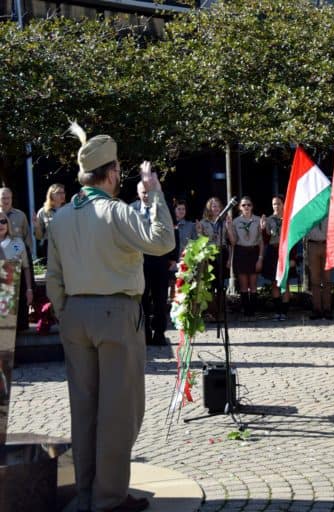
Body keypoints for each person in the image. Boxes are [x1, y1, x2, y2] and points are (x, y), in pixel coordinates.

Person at [46, 123, 174, 512]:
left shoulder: (61, 217)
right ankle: (109, 499)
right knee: (119, 411)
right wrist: (154, 193)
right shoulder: (116, 211)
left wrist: (66, 313)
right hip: (116, 314)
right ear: (112, 172)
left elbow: (54, 277)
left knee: (84, 409)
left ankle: (87, 493)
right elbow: (163, 241)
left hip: (75, 314)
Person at [132, 182, 176, 345]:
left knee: (160, 299)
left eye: (148, 192)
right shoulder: (131, 210)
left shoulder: (163, 208)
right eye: (143, 192)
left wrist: (173, 257)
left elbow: (173, 231)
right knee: (142, 299)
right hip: (139, 261)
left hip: (161, 260)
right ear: (138, 193)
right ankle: (144, 333)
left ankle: (159, 333)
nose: (146, 195)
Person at [0, 187, 32, 332]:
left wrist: (29, 289)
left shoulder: (16, 243)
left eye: (3, 221)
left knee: (11, 330)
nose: (1, 224)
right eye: (3, 198)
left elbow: (25, 264)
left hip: (11, 284)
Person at [196, 197, 231, 321]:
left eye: (218, 206)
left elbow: (230, 242)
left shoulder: (224, 221)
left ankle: (220, 313)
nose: (216, 208)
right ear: (209, 208)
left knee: (221, 285)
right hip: (209, 255)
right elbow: (200, 242)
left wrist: (229, 259)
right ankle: (211, 313)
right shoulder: (203, 223)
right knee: (210, 285)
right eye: (213, 206)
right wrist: (199, 232)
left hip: (222, 253)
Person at [228, 196, 264, 317]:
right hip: (241, 252)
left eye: (249, 205)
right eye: (243, 205)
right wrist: (229, 229)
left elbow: (261, 241)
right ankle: (246, 311)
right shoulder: (235, 222)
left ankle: (253, 311)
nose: (246, 207)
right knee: (243, 284)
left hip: (254, 252)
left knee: (253, 284)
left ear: (252, 206)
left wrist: (260, 258)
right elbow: (233, 242)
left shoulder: (258, 220)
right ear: (239, 207)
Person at [260, 195, 293, 321]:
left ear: (283, 204)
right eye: (274, 204)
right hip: (273, 252)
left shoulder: (289, 218)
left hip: (285, 252)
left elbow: (293, 239)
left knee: (285, 283)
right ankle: (277, 311)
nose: (276, 206)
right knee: (274, 283)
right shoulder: (269, 220)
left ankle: (285, 311)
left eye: (279, 203)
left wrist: (292, 257)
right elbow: (266, 240)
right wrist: (263, 229)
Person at [305, 216, 332, 320]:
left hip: (327, 244)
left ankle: (327, 309)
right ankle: (316, 309)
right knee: (314, 280)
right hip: (312, 244)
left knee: (327, 280)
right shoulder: (309, 212)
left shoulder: (329, 212)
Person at [34, 183, 66, 260]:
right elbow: (39, 237)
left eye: (63, 192)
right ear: (51, 195)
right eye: (58, 193)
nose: (62, 195)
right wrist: (37, 226)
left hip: (66, 244)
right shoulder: (43, 211)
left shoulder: (69, 209)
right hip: (50, 246)